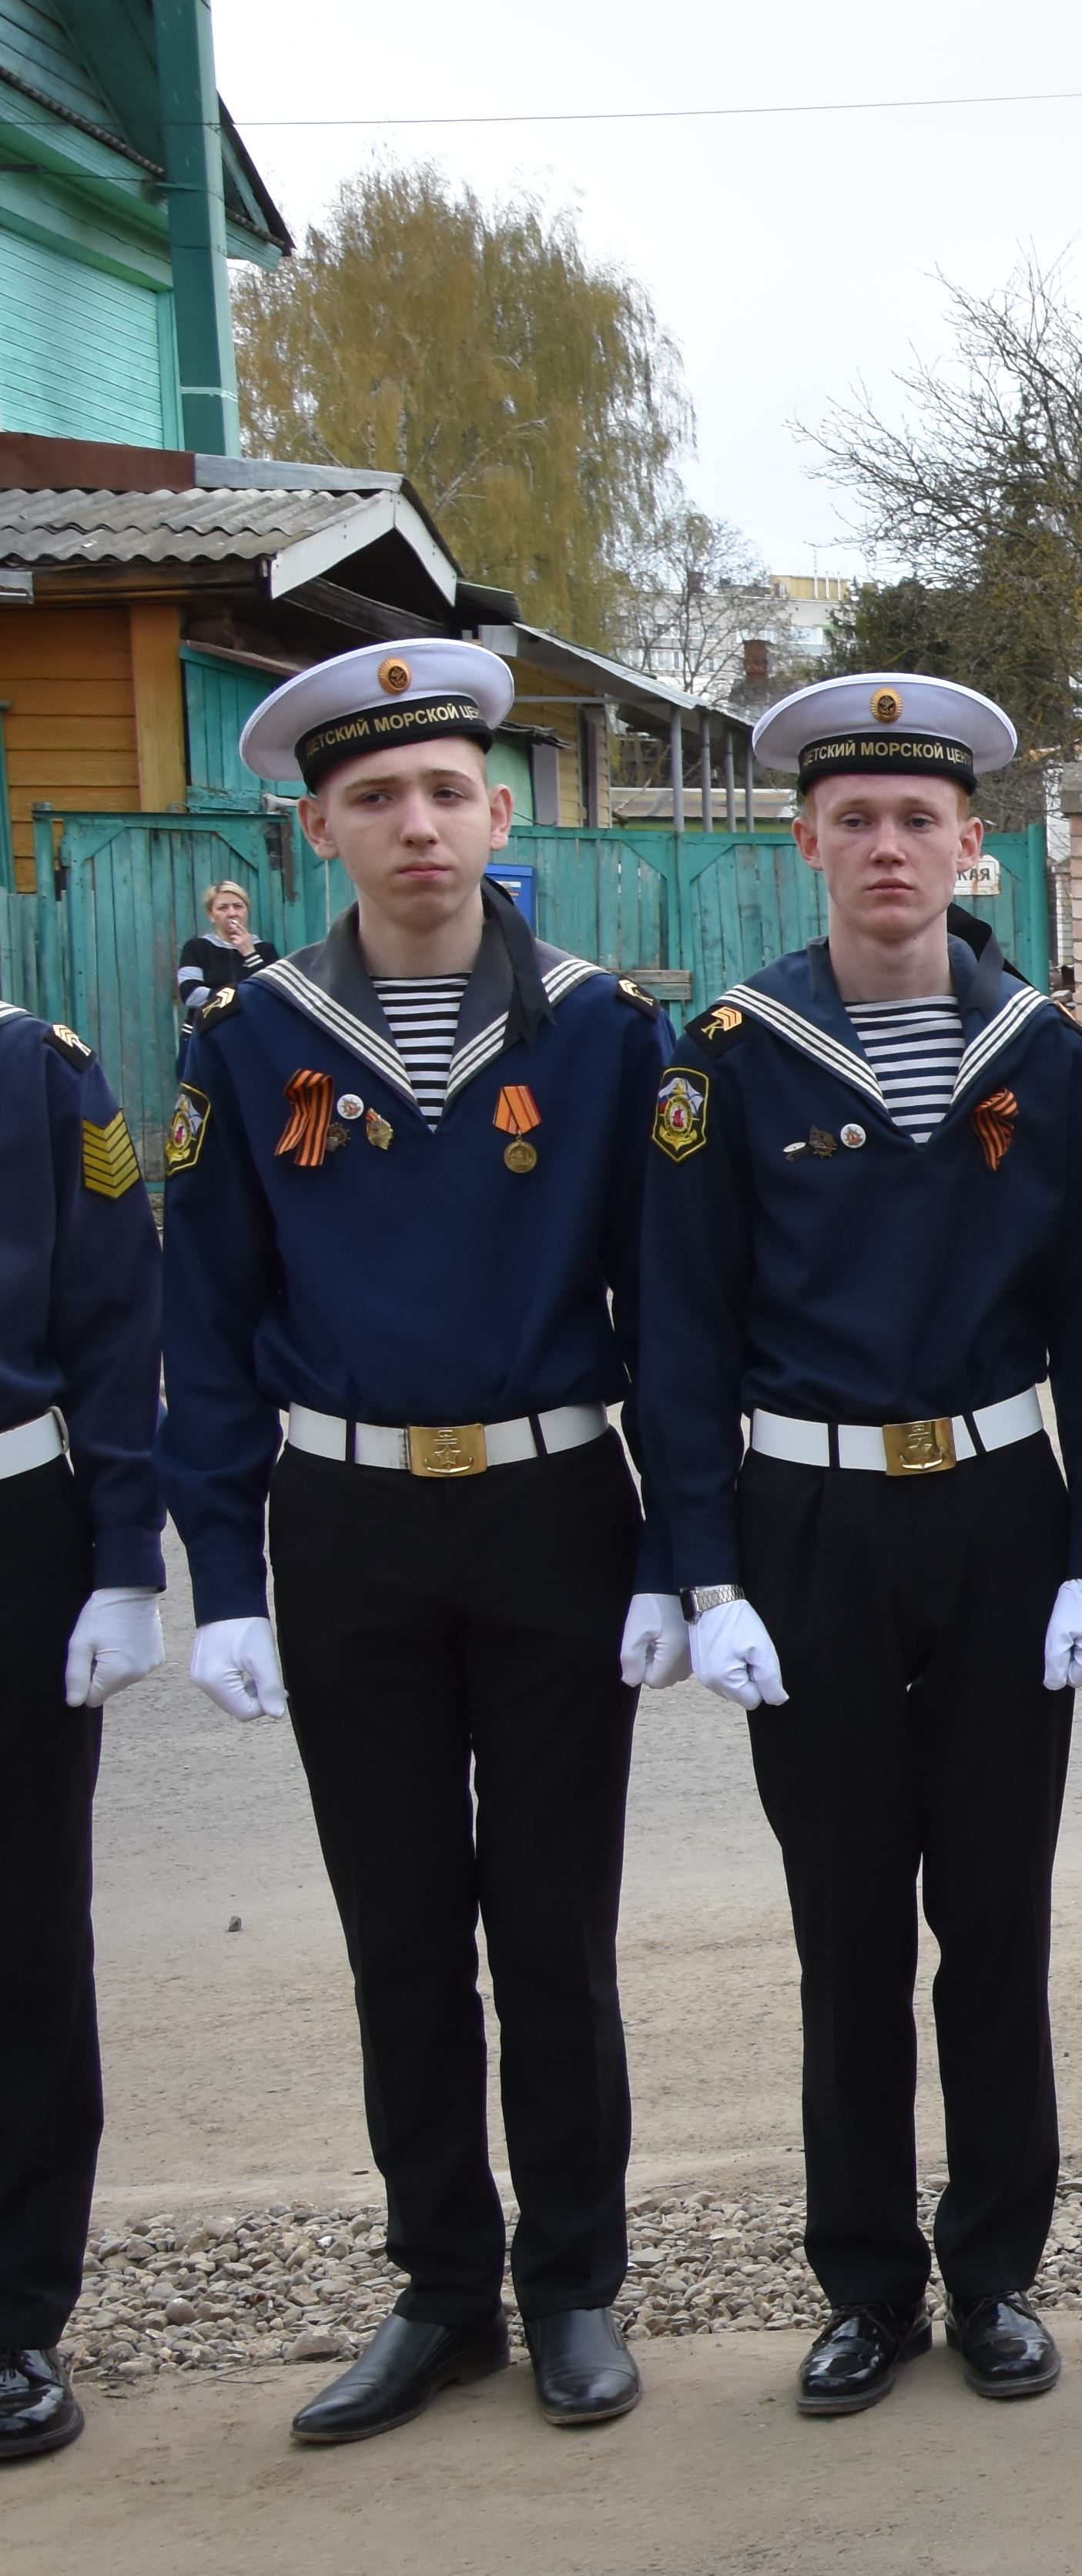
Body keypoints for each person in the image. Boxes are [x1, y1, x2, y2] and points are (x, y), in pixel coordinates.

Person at [162, 638, 682, 2444]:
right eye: (374, 797)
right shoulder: (249, 1045)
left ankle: (575, 2288)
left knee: (554, 1925)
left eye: (446, 790)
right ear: (317, 828)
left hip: (552, 1509)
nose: (416, 826)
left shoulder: (606, 1033)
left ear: (500, 808)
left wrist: (683, 1551)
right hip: (351, 1516)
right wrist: (221, 1575)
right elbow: (207, 1325)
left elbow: (671, 1307)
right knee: (400, 1927)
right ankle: (442, 2287)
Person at [636, 672, 1082, 2417]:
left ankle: (993, 2269)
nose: (890, 846)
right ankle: (863, 2281)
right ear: (807, 845)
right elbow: (677, 1335)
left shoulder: (1050, 1062)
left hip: (1002, 1512)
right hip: (811, 1522)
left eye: (921, 816)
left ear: (970, 840)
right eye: (856, 818)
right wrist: (705, 1573)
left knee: (994, 1914)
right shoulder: (729, 1063)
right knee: (844, 1925)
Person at [0, 971, 167, 2466]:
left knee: (24, 1926)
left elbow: (117, 1323)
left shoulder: (34, 1070)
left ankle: (11, 2314)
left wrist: (126, 1557)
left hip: (9, 1529)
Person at [176, 876, 273, 1021]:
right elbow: (191, 995)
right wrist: (244, 998)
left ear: (247, 911)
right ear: (211, 915)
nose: (232, 913)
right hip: (207, 1035)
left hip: (252, 1032)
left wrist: (250, 954)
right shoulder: (197, 948)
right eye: (223, 907)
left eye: (238, 906)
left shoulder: (265, 950)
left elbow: (272, 994)